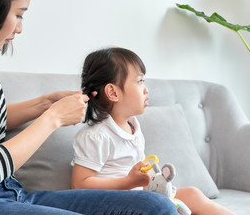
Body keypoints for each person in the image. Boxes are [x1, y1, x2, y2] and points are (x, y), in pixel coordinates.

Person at [0, 0, 178, 214]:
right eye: (19, 14)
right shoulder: (95, 137)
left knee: (158, 206)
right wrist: (52, 119)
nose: (20, 28)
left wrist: (44, 104)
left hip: (12, 191)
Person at [71, 47, 235, 215]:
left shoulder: (133, 127)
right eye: (140, 81)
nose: (146, 89)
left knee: (192, 194)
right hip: (113, 205)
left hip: (140, 198)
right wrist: (127, 182)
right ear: (113, 92)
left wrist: (152, 180)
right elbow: (79, 185)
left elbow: (138, 172)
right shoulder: (96, 135)